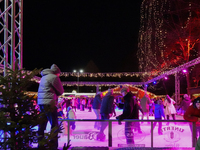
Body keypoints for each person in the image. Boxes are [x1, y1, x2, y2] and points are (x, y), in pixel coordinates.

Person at [37, 64, 64, 150]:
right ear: (57, 73)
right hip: (50, 104)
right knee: (54, 125)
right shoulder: (54, 77)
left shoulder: (44, 77)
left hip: (41, 103)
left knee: (42, 124)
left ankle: (40, 144)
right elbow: (61, 91)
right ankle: (53, 146)